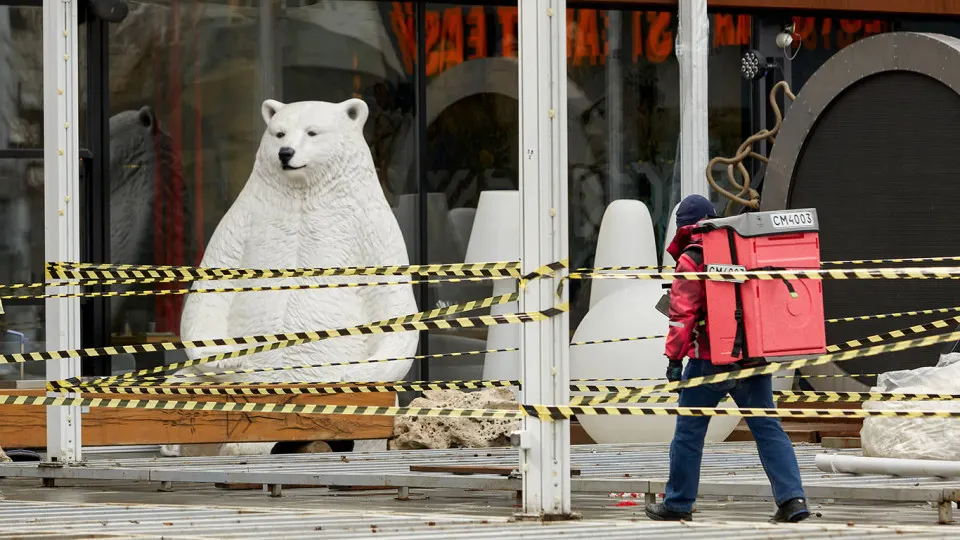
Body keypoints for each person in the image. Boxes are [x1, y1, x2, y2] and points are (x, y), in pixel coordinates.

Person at [644, 194, 809, 523]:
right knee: (767, 428)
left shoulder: (692, 258)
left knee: (689, 433)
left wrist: (674, 359)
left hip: (709, 360)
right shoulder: (743, 247)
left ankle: (678, 503)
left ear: (682, 226)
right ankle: (793, 500)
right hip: (753, 356)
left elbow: (682, 316)